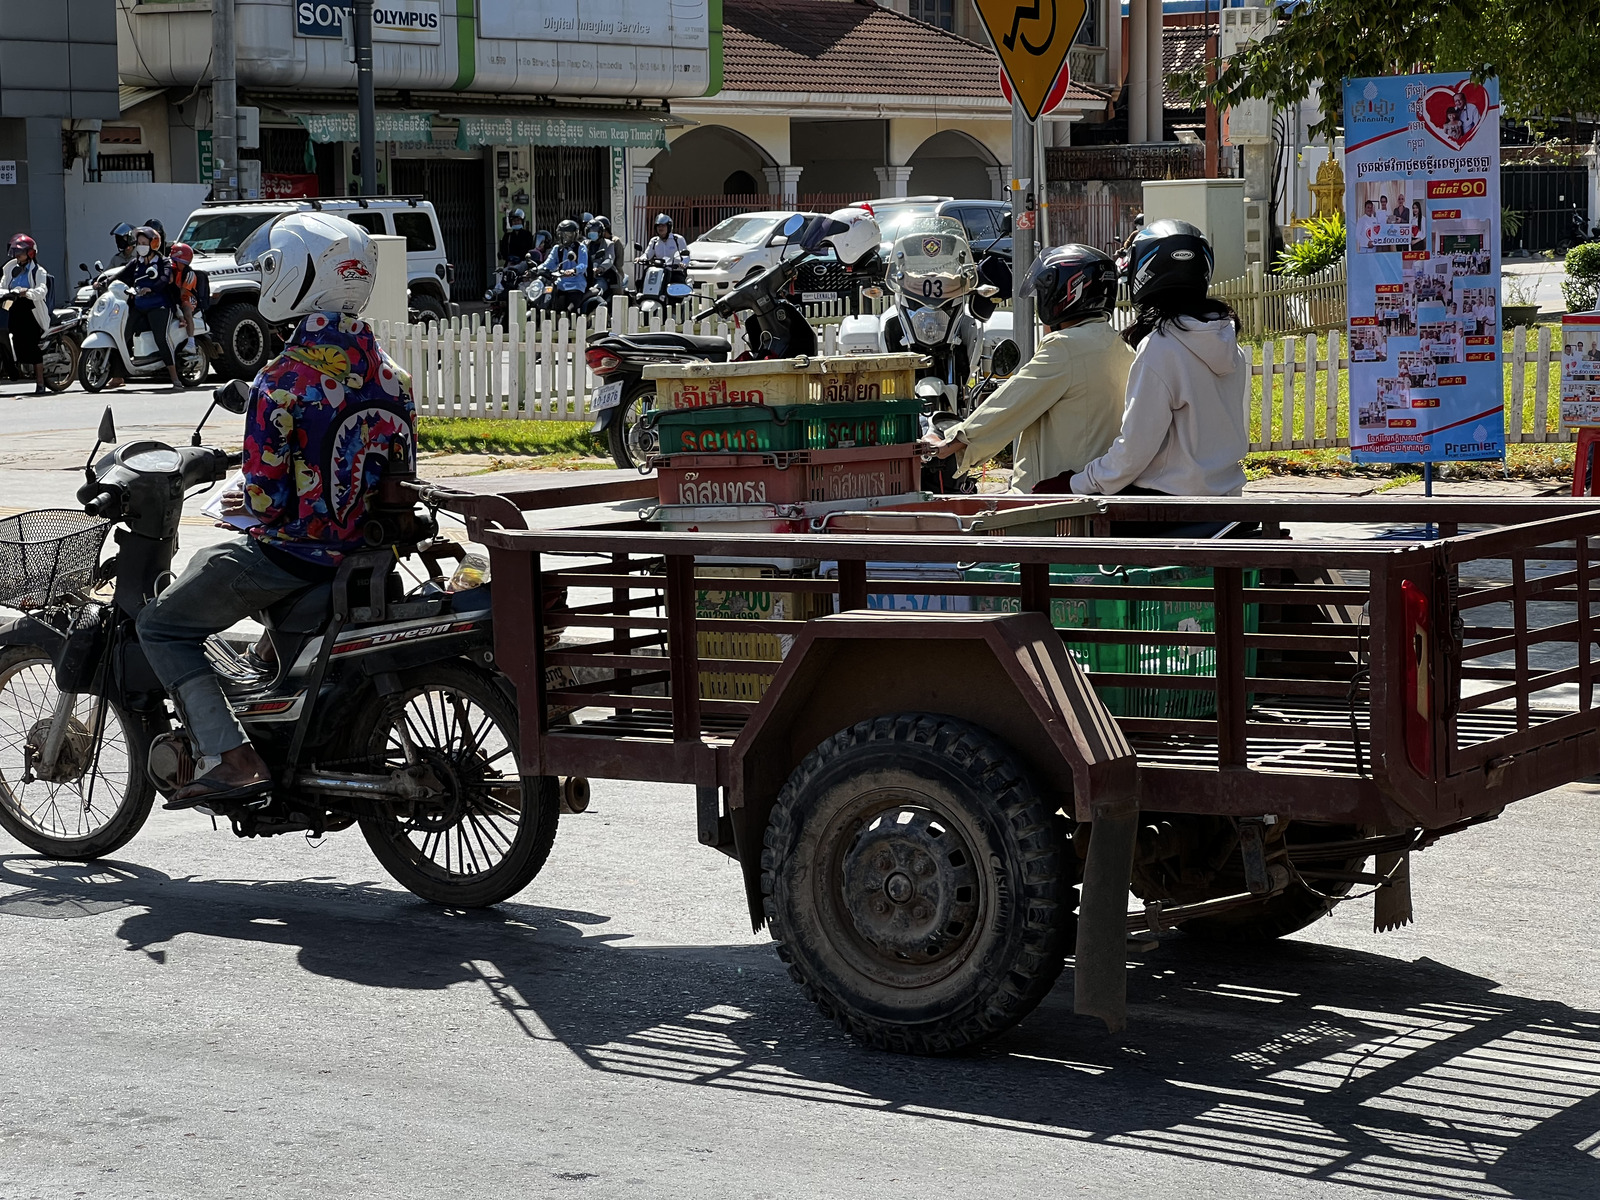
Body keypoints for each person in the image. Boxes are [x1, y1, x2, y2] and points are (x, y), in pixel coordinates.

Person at [135, 212, 415, 809]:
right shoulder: (393, 376)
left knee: (161, 623)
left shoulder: (282, 380)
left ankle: (232, 758)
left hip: (294, 557)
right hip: (367, 553)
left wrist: (243, 501)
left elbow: (265, 500)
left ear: (298, 275)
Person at [919, 245, 1132, 493]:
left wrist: (948, 442)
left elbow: (1009, 404)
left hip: (1054, 494)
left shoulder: (1066, 347)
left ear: (1065, 292)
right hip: (1096, 486)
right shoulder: (1119, 345)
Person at [1061, 219, 1249, 500]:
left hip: (1172, 503)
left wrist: (1076, 483)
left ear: (1144, 273)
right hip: (1227, 498)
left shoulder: (1161, 347)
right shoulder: (1230, 345)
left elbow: (1134, 451)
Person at [114, 225, 182, 390]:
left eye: (144, 242)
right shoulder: (136, 262)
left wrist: (152, 288)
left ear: (153, 244)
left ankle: (175, 378)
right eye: (139, 242)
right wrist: (101, 283)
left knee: (161, 338)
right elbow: (120, 275)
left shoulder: (163, 261)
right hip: (140, 305)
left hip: (159, 305)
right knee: (123, 334)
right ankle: (117, 376)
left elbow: (165, 278)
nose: (140, 246)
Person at [1, 234, 50, 394]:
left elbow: (41, 290)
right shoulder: (10, 267)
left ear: (30, 253)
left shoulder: (38, 271)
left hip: (30, 309)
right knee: (8, 338)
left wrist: (26, 292)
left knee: (31, 345)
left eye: (20, 252)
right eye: (15, 252)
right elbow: (3, 284)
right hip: (12, 305)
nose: (17, 255)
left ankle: (40, 382)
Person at [537, 219, 588, 311]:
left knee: (570, 309)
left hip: (576, 285)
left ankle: (573, 323)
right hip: (560, 284)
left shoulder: (580, 247)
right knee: (550, 305)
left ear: (575, 235)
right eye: (562, 234)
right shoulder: (557, 248)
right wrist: (536, 269)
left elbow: (583, 265)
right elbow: (549, 264)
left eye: (568, 234)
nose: (565, 237)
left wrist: (573, 270)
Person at [168, 241, 203, 353]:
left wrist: (175, 303)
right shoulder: (173, 271)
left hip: (188, 298)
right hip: (176, 297)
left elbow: (182, 292)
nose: (172, 262)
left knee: (187, 311)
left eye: (174, 259)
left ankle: (191, 342)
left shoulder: (190, 274)